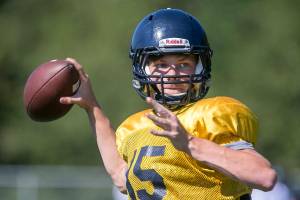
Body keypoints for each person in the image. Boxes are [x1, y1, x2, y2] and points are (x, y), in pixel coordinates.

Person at [60, 8, 277, 200]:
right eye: (162, 64)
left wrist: (190, 144)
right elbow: (120, 175)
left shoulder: (212, 115)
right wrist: (92, 107)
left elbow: (264, 176)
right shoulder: (135, 127)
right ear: (143, 69)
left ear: (200, 68)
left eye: (183, 64)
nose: (172, 73)